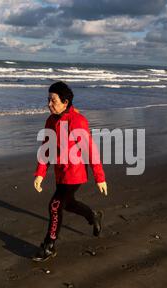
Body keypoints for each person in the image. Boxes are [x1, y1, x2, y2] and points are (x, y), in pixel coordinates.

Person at [32, 81, 108, 262]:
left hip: (75, 174)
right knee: (68, 204)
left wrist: (100, 177)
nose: (49, 104)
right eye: (48, 100)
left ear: (65, 102)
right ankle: (93, 215)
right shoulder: (50, 120)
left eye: (53, 101)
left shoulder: (77, 121)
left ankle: (49, 246)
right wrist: (40, 174)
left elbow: (90, 150)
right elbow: (46, 148)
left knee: (55, 205)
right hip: (60, 173)